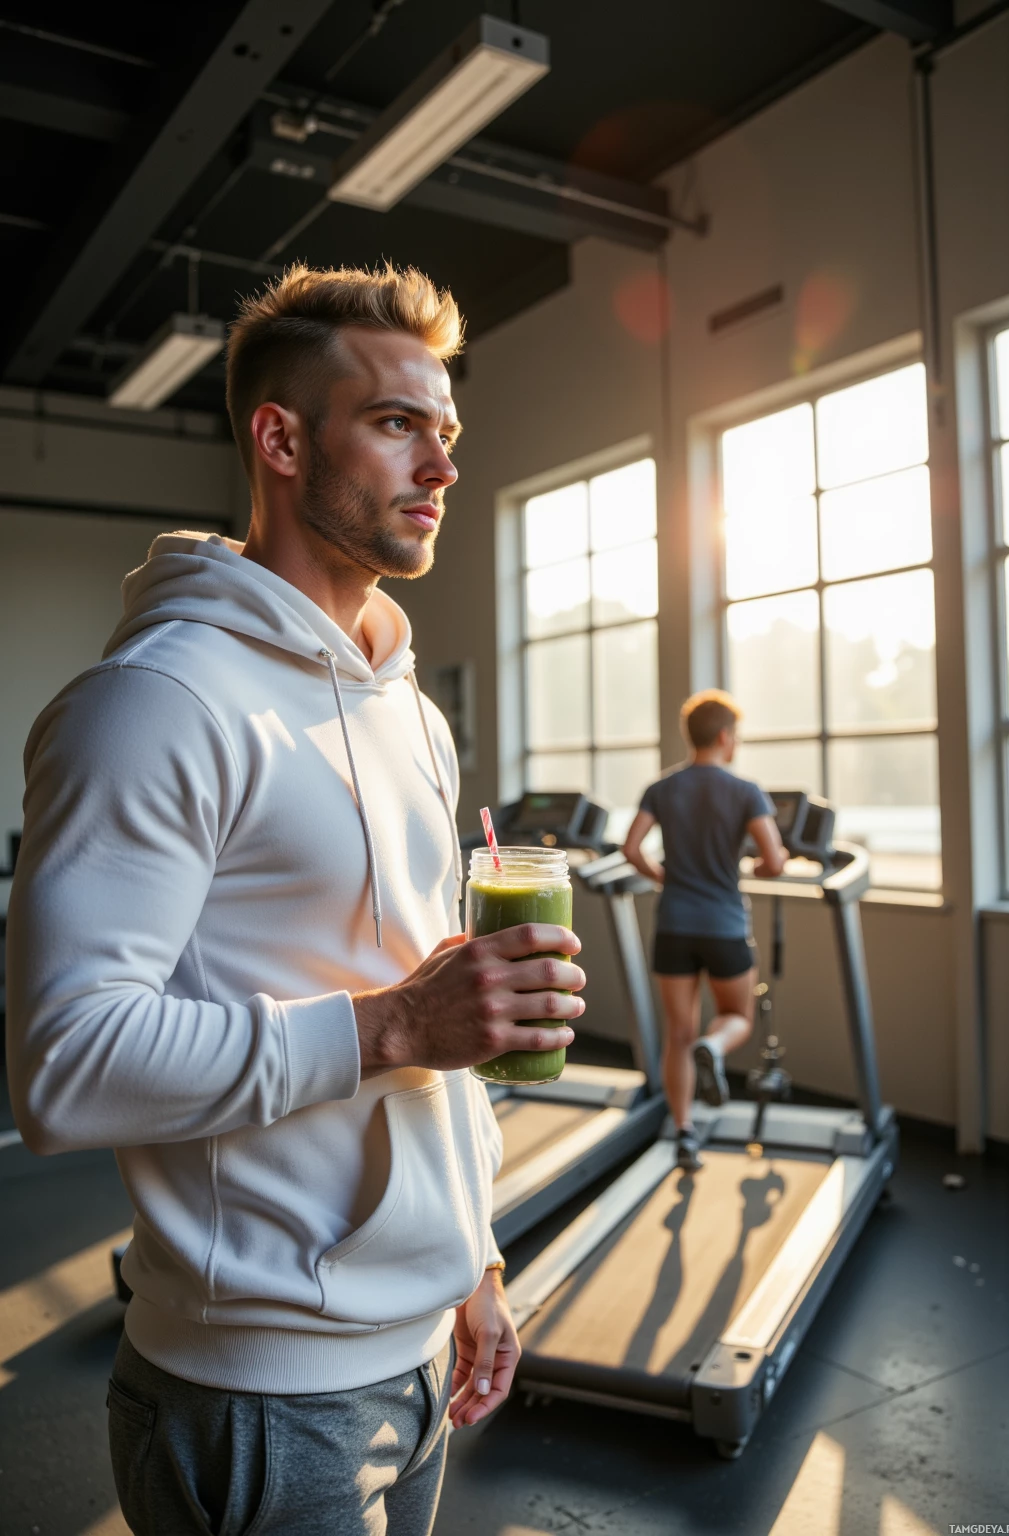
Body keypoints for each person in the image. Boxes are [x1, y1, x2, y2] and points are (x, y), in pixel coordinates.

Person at [5, 263, 586, 1536]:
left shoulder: (413, 715)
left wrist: (469, 1260)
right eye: (395, 425)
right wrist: (389, 1027)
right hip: (255, 1398)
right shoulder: (154, 704)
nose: (439, 466)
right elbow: (62, 1067)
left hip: (421, 1347)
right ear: (280, 438)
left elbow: (422, 1010)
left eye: (446, 433)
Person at [621, 689, 785, 1171]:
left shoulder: (662, 788)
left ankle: (685, 1133)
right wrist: (756, 865)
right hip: (724, 925)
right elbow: (773, 860)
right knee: (737, 1016)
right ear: (724, 736)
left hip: (673, 924)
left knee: (677, 1033)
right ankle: (712, 1048)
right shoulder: (746, 791)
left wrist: (664, 877)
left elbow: (632, 848)